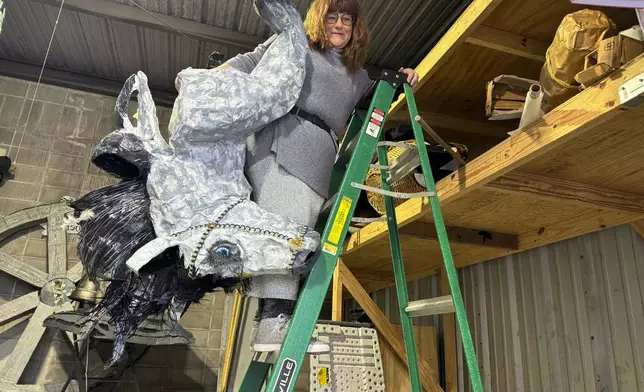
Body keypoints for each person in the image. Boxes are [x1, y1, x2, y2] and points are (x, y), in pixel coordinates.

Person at [214, 0, 419, 353]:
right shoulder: (299, 47)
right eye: (332, 17)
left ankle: (270, 324)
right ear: (318, 21)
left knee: (295, 233)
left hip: (320, 153)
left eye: (348, 19)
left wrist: (407, 79)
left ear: (356, 27)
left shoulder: (356, 76)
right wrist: (215, 78)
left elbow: (377, 98)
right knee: (285, 230)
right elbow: (251, 61)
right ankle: (275, 326)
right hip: (284, 140)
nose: (340, 24)